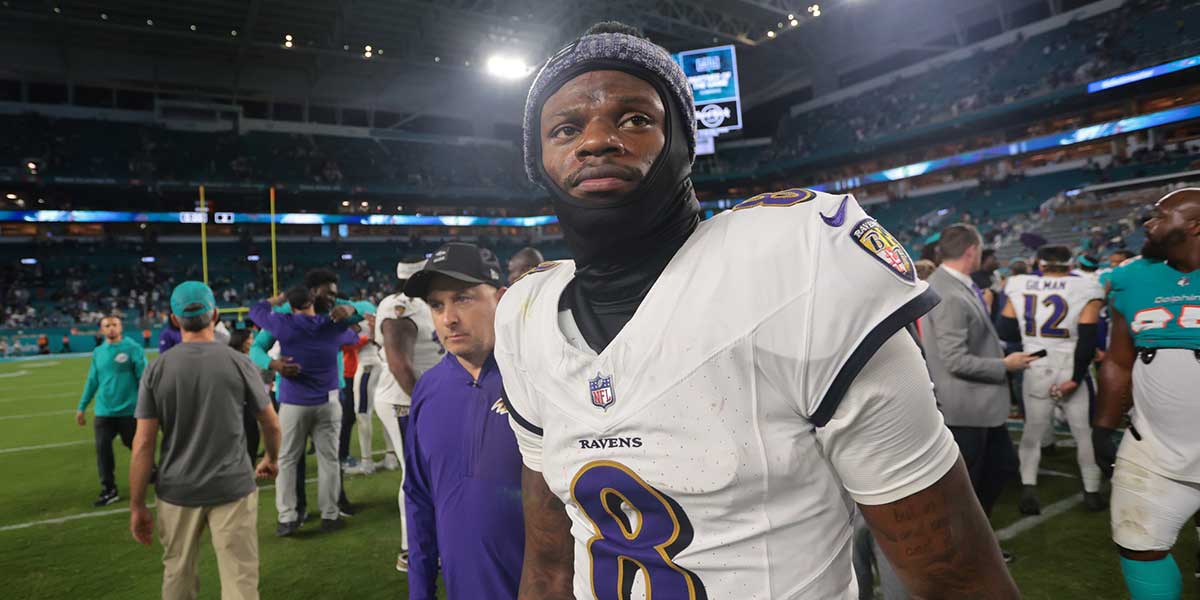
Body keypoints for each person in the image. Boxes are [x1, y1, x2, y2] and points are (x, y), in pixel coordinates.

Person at [499, 22, 1018, 598]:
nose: (596, 141)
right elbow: (548, 563)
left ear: (683, 142)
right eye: (566, 128)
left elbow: (951, 572)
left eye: (635, 119)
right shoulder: (526, 314)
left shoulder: (796, 264)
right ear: (537, 161)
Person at [129, 281, 281, 600]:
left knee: (178, 575)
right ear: (215, 315)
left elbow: (142, 444)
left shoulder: (157, 369)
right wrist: (271, 458)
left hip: (177, 488)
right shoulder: (239, 362)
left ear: (175, 319)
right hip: (232, 485)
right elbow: (270, 422)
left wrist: (137, 504)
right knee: (240, 579)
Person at [401, 242, 524, 599]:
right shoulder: (428, 390)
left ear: (501, 298)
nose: (448, 318)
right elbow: (419, 497)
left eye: (463, 299)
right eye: (437, 305)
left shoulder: (538, 378)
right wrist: (420, 590)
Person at [1094, 188, 1200, 600]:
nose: (1148, 224)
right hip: (1153, 448)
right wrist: (1104, 425)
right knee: (1136, 540)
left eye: (1160, 216)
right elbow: (1119, 360)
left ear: (1194, 225)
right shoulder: (1133, 277)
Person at [923, 224, 1036, 559]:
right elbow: (955, 360)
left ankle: (973, 543)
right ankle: (963, 549)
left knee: (998, 468)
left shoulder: (952, 284)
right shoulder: (948, 292)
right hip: (966, 405)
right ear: (972, 250)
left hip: (976, 405)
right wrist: (1006, 364)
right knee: (969, 486)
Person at [998, 245, 1106, 515]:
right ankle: (1091, 492)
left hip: (1036, 363)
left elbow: (1006, 330)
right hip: (1070, 363)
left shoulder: (1019, 283)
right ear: (1070, 265)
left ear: (1040, 264)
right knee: (1083, 433)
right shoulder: (1087, 286)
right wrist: (1076, 378)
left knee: (1033, 432)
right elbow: (1087, 338)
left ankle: (1028, 491)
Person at [249, 269, 361, 527]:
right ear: (313, 295)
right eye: (328, 293)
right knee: (324, 459)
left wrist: (351, 308)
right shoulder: (331, 325)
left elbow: (256, 311)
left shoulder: (284, 321)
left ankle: (289, 517)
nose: (332, 298)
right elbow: (355, 332)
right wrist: (272, 364)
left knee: (289, 459)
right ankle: (326, 514)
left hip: (301, 398)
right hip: (323, 398)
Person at [374, 259, 444, 571]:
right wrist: (423, 405)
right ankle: (410, 548)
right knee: (416, 475)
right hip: (406, 400)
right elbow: (399, 364)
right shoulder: (401, 308)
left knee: (426, 473)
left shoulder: (421, 304)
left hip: (421, 397)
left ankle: (428, 540)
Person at [76, 315, 147, 506]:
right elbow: (92, 380)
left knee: (136, 446)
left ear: (121, 327)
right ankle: (109, 489)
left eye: (115, 324)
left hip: (129, 411)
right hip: (104, 412)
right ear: (102, 330)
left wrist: (148, 405)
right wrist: (82, 407)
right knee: (103, 451)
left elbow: (144, 379)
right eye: (107, 326)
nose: (111, 328)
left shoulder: (133, 348)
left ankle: (152, 471)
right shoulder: (98, 352)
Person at [345, 299, 381, 475]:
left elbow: (349, 343)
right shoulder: (373, 318)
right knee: (383, 412)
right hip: (379, 364)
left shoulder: (356, 321)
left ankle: (367, 462)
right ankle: (391, 456)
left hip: (367, 365)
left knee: (362, 413)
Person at [229, 328, 262, 464]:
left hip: (246, 404)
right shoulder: (238, 359)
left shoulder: (247, 358)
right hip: (239, 404)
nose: (252, 341)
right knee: (248, 437)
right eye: (250, 339)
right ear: (242, 342)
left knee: (251, 436)